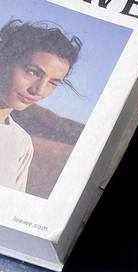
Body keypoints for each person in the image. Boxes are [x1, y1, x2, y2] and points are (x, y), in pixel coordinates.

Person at [0, 20, 82, 193]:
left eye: (53, 82)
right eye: (33, 72)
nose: (38, 90)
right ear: (5, 60)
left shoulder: (22, 143)